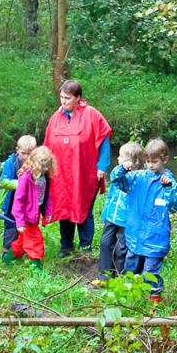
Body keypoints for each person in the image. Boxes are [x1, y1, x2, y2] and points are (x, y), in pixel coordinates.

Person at [44, 80, 112, 258]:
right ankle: (66, 246)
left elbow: (103, 139)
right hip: (61, 174)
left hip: (85, 172)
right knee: (64, 207)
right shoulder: (55, 117)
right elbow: (47, 145)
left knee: (84, 209)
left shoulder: (92, 115)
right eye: (61, 97)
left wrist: (103, 166)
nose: (63, 101)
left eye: (67, 98)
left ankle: (85, 248)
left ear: (78, 98)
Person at [114, 139, 177, 310]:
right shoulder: (137, 177)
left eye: (155, 162)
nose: (150, 165)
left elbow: (176, 206)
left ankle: (154, 302)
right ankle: (132, 299)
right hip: (135, 235)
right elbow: (117, 182)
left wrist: (167, 189)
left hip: (155, 238)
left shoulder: (168, 182)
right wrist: (122, 168)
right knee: (131, 268)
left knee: (150, 273)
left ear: (164, 160)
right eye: (147, 162)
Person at [95, 141, 145, 284]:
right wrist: (105, 214)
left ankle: (119, 276)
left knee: (121, 248)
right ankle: (104, 274)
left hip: (126, 220)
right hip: (112, 217)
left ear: (133, 161)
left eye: (121, 157)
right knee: (105, 243)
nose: (118, 159)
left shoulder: (137, 179)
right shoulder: (118, 176)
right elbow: (111, 195)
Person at [8, 146, 55, 269]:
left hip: (35, 214)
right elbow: (18, 202)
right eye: (42, 167)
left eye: (47, 167)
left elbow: (47, 196)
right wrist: (19, 222)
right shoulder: (26, 178)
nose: (44, 170)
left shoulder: (45, 177)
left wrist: (48, 212)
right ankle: (35, 266)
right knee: (35, 240)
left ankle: (8, 258)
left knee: (22, 241)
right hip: (25, 217)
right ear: (34, 163)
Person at [0, 135, 37, 264]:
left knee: (27, 228)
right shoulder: (11, 163)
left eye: (30, 154)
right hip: (12, 203)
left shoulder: (37, 164)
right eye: (23, 153)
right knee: (11, 228)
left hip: (29, 204)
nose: (26, 157)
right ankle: (6, 253)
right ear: (17, 150)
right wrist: (22, 184)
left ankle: (24, 251)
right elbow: (3, 181)